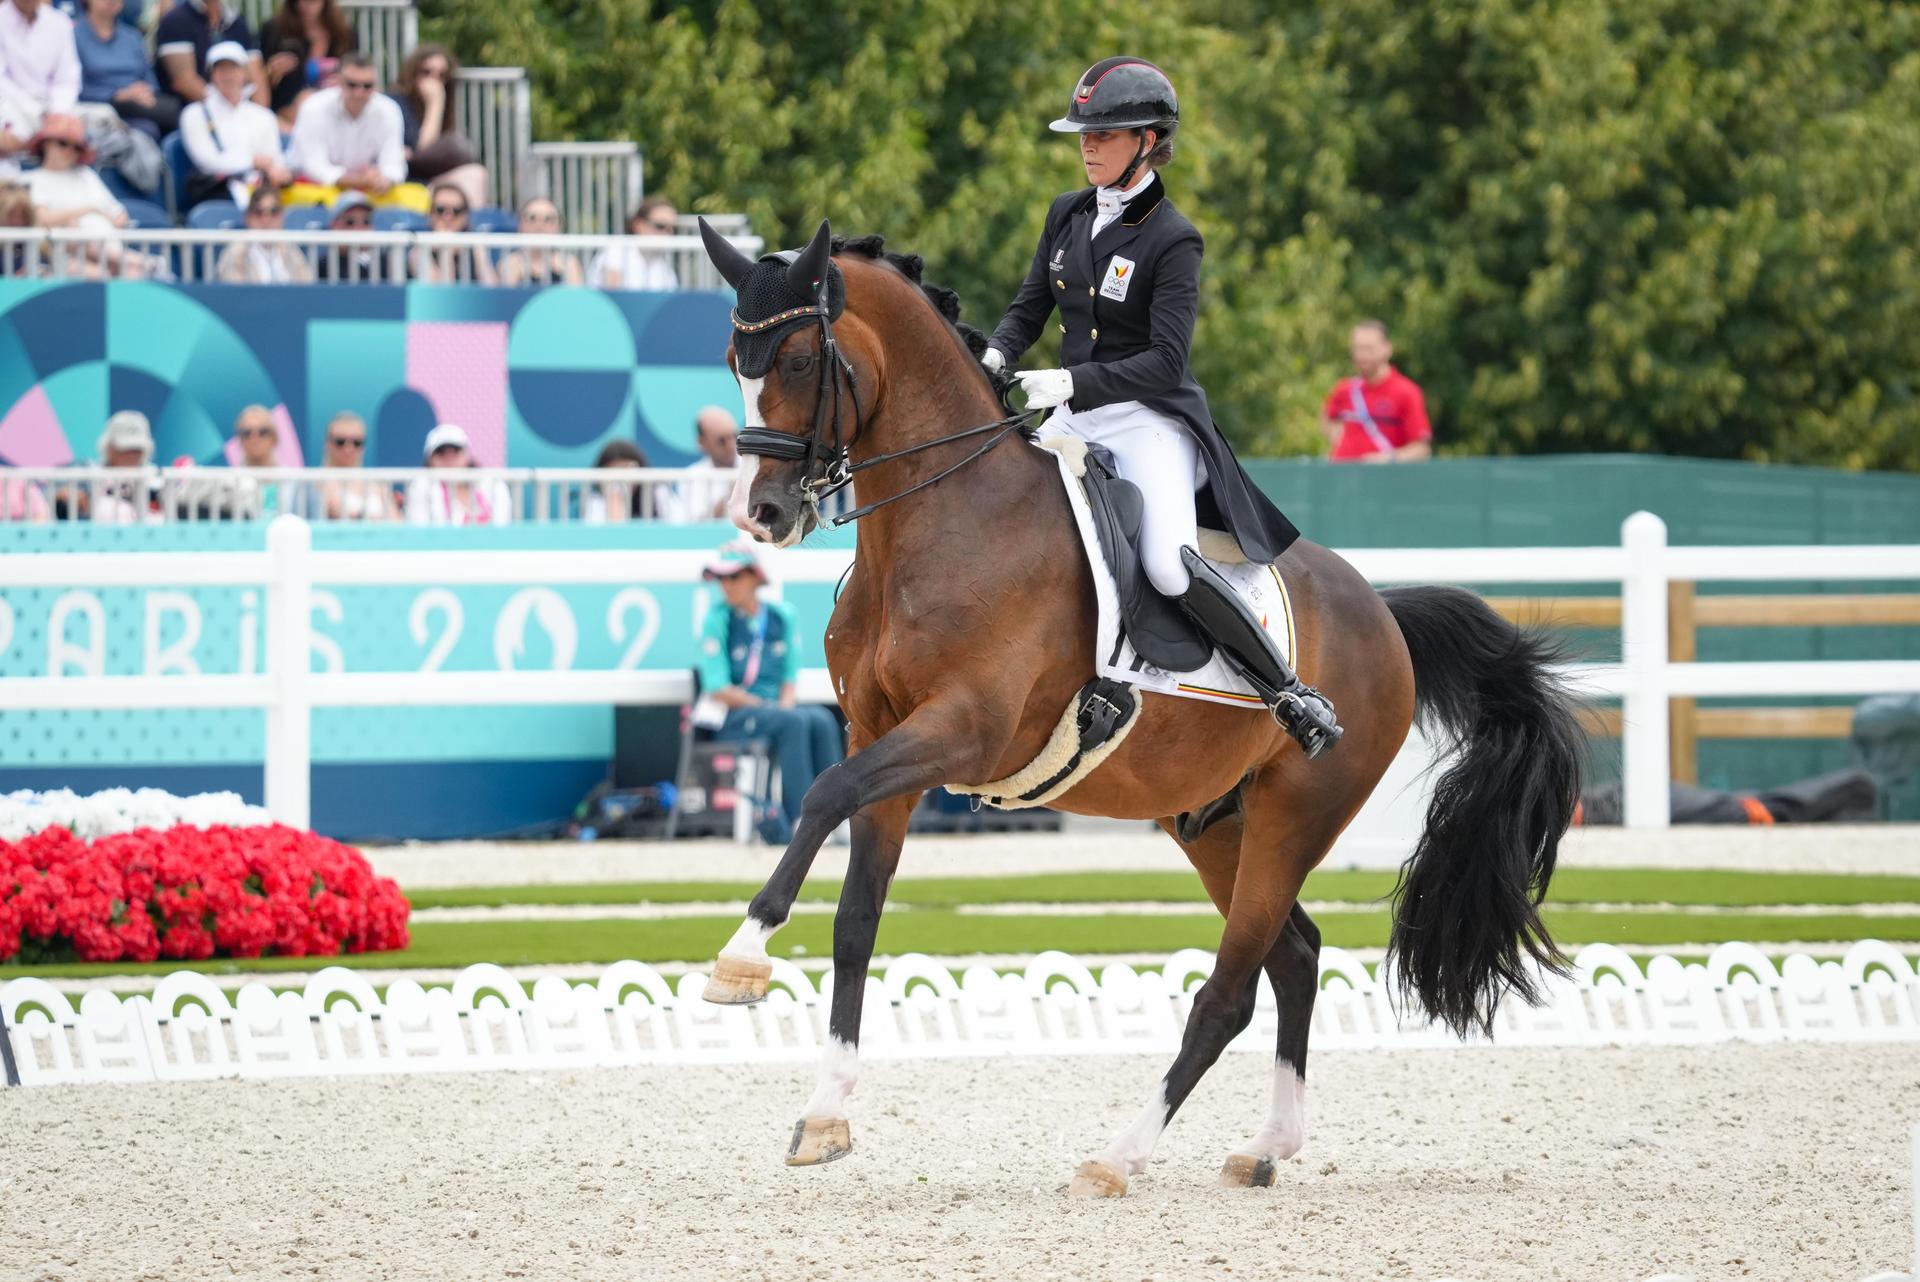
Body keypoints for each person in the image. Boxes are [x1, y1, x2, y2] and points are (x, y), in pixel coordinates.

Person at [982, 56, 1340, 757]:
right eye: (1081, 133)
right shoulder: (1067, 212)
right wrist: (996, 356)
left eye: (1103, 134)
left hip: (1147, 416)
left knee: (1170, 564)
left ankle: (1287, 690)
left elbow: (1165, 361)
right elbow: (1030, 306)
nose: (1086, 144)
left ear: (1147, 141)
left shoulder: (1173, 237)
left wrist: (1071, 385)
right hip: (1072, 412)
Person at [696, 540, 843, 844]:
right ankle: (803, 820)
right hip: (733, 716)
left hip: (773, 710)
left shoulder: (781, 615)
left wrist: (783, 704)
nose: (726, 585)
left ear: (754, 577)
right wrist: (769, 706)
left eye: (733, 576)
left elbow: (790, 674)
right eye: (721, 578)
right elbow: (718, 688)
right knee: (793, 722)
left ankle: (838, 814)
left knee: (821, 719)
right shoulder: (717, 619)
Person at [283, 51, 428, 214]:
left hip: (367, 189)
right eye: (352, 85)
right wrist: (354, 181)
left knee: (420, 198)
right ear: (338, 82)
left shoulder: (388, 109)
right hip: (315, 188)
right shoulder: (314, 107)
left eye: (367, 86)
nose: (359, 93)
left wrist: (385, 179)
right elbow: (314, 166)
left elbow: (393, 163)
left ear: (376, 85)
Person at [178, 39, 287, 208]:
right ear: (212, 74)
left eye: (233, 68)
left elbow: (274, 159)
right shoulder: (194, 114)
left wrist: (277, 171)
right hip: (219, 196)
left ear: (245, 72)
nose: (228, 75)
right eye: (221, 69)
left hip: (262, 193)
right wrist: (252, 162)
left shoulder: (264, 116)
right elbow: (207, 162)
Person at [388, 44, 486, 212]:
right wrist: (435, 103)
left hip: (428, 182)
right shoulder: (395, 102)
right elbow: (423, 148)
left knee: (476, 174)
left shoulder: (445, 107)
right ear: (412, 73)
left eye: (442, 75)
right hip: (400, 182)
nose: (433, 80)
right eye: (426, 72)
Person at [1321, 320, 1432, 463]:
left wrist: (1386, 459)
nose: (1362, 356)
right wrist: (1333, 434)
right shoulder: (1344, 389)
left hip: (1382, 481)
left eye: (1369, 349)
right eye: (1358, 349)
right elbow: (1326, 414)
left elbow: (1421, 450)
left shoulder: (1406, 392)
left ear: (1387, 349)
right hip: (1343, 480)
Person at [74, 0, 176, 141]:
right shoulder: (73, 36)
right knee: (147, 129)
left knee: (175, 115)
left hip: (139, 105)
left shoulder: (133, 37)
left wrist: (142, 91)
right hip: (99, 107)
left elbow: (149, 78)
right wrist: (118, 95)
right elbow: (71, 85)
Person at [256, 0, 351, 126]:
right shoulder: (274, 30)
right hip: (285, 115)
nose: (306, 5)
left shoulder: (343, 33)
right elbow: (256, 78)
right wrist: (270, 72)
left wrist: (345, 81)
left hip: (333, 112)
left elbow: (356, 70)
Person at [153, 0, 263, 107]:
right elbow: (184, 82)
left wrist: (260, 115)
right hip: (193, 114)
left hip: (240, 112)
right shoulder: (175, 20)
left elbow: (257, 78)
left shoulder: (238, 22)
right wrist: (229, 112)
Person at [405, 422, 511, 525]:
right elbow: (419, 530)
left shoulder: (493, 484)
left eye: (455, 450)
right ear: (430, 459)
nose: (449, 458)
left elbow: (501, 528)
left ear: (467, 455)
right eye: (441, 451)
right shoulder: (422, 486)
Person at [0, 0, 79, 136]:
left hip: (53, 109)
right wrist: (37, 112)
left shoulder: (59, 21)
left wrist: (58, 111)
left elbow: (67, 79)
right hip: (9, 105)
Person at [301, 410, 393, 520]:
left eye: (357, 443)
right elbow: (338, 512)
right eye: (340, 442)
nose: (348, 449)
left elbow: (396, 521)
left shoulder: (377, 483)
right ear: (328, 444)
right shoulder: (316, 481)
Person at [216, 184, 310, 282]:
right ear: (248, 217)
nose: (266, 219)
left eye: (274, 211)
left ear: (282, 216)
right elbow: (232, 293)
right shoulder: (236, 251)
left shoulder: (291, 249)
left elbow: (307, 288)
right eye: (258, 212)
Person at [408, 180, 495, 283]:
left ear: (465, 216)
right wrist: (447, 252)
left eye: (456, 210)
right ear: (430, 214)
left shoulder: (476, 247)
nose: (448, 216)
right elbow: (443, 294)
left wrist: (479, 253)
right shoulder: (418, 252)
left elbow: (492, 290)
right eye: (440, 210)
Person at [662, 405, 737, 522]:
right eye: (722, 440)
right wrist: (731, 495)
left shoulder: (755, 467)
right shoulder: (691, 477)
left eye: (734, 436)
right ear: (702, 442)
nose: (731, 445)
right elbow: (697, 525)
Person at [586, 197, 679, 291]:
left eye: (673, 229)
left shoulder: (665, 267)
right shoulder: (617, 251)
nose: (668, 233)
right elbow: (614, 297)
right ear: (638, 225)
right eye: (660, 226)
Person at [495, 196, 582, 286]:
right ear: (520, 225)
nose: (540, 226)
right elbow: (508, 299)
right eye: (532, 218)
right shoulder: (509, 264)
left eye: (548, 220)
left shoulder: (569, 263)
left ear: (558, 228)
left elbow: (575, 299)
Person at [89, 408, 156, 523]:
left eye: (137, 449)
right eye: (125, 449)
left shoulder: (157, 479)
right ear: (109, 447)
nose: (132, 455)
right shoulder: (88, 477)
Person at [581, 438, 667, 522]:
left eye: (627, 469)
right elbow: (612, 534)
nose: (620, 479)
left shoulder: (659, 493)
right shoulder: (595, 502)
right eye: (613, 471)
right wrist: (615, 500)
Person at [228, 402, 281, 517]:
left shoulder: (292, 481)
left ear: (273, 437)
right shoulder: (230, 483)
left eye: (262, 432)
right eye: (247, 433)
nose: (254, 438)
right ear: (240, 440)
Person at [312, 187, 376, 280]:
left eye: (366, 221)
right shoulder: (324, 266)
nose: (359, 228)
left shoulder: (386, 262)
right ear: (334, 225)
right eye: (350, 222)